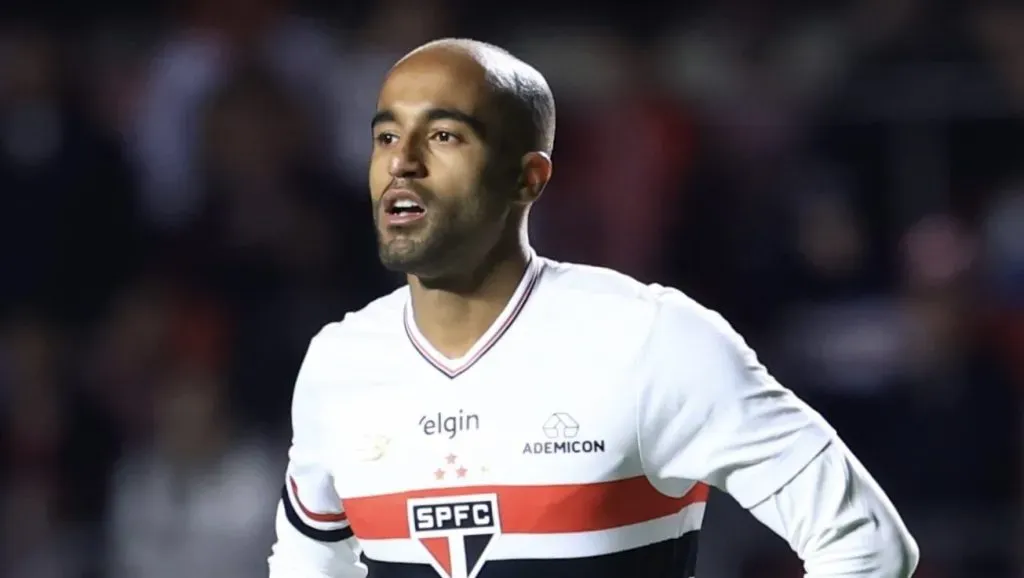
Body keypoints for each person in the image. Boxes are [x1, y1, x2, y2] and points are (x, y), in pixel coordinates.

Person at [267, 38, 919, 578]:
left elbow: (864, 543)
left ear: (529, 177)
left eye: (443, 135)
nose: (402, 163)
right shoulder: (339, 362)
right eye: (386, 136)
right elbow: (306, 562)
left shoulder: (651, 338)